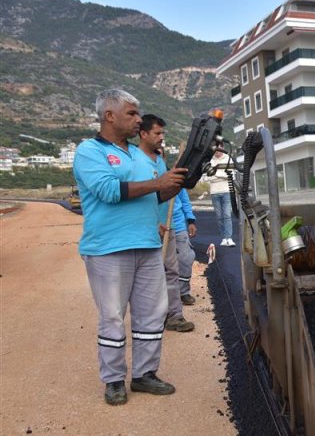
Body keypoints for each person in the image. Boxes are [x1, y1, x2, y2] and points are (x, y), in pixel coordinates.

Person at [74, 88, 186, 406]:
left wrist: (177, 182)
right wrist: (157, 184)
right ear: (110, 116)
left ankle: (144, 374)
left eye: (138, 114)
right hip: (108, 249)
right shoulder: (89, 151)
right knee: (112, 316)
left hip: (148, 245)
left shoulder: (141, 156)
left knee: (151, 315)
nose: (139, 119)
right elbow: (109, 190)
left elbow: (157, 195)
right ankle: (113, 380)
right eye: (132, 113)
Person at [138, 114, 194, 332]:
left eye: (163, 133)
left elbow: (167, 193)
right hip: (146, 228)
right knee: (150, 276)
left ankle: (175, 316)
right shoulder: (135, 160)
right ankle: (152, 318)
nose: (161, 137)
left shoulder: (159, 161)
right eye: (157, 133)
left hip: (166, 226)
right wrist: (153, 222)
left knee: (171, 271)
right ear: (143, 134)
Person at [206, 150, 235, 246]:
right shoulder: (210, 160)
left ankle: (229, 237)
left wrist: (215, 174)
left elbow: (231, 175)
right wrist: (223, 175)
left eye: (219, 148)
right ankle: (224, 237)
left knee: (227, 215)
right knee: (219, 216)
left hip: (226, 190)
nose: (217, 151)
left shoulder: (228, 158)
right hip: (214, 192)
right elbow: (208, 178)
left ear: (222, 147)